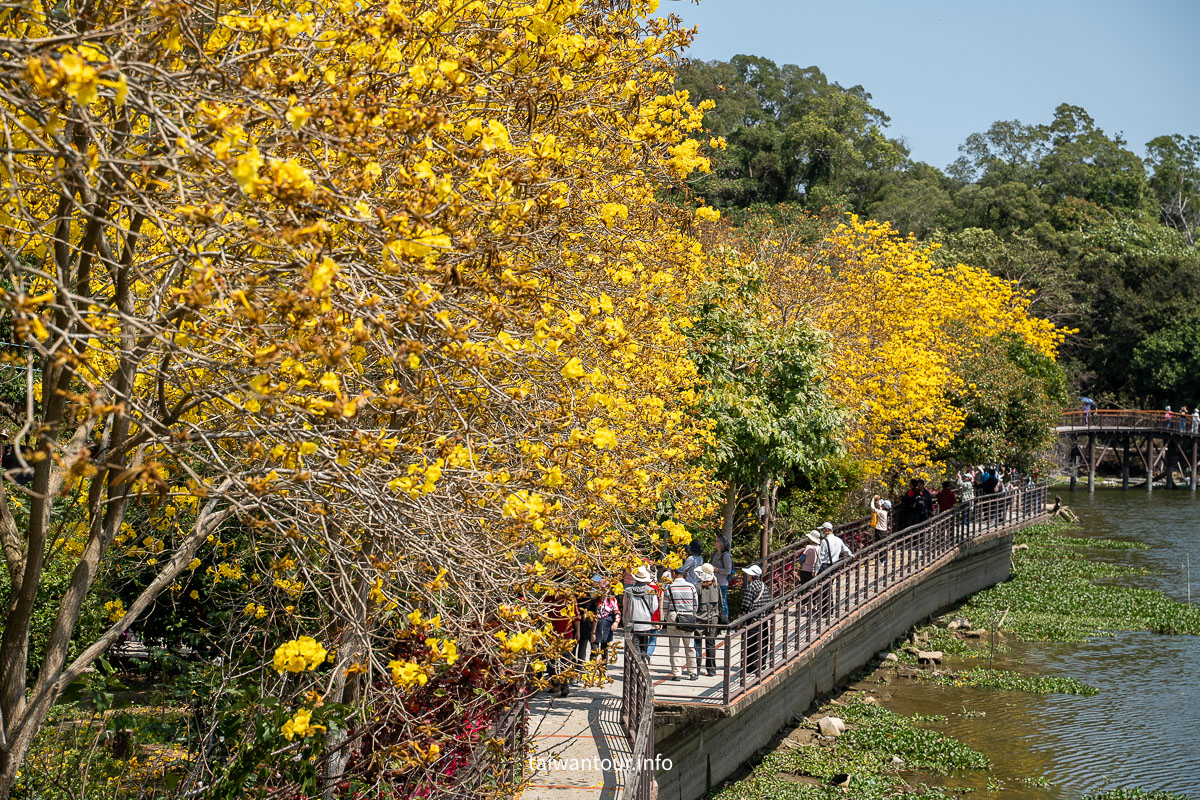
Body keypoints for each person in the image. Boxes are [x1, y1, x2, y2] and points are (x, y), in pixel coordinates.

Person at [663, 569, 699, 680]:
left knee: (674, 646)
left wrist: (667, 617)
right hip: (688, 616)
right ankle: (692, 672)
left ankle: (677, 673)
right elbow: (696, 604)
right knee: (690, 646)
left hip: (674, 615)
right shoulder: (691, 586)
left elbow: (665, 606)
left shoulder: (669, 587)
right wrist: (691, 613)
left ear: (674, 574)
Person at [739, 564, 772, 674]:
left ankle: (750, 667)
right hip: (763, 618)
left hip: (752, 618)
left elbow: (745, 604)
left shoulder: (751, 586)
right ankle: (761, 664)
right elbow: (769, 601)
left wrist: (741, 615)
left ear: (751, 575)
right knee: (763, 641)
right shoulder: (764, 585)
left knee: (751, 642)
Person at [623, 566, 659, 660]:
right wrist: (649, 612)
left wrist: (625, 618)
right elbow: (655, 606)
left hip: (632, 621)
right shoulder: (651, 590)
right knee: (644, 644)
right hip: (646, 621)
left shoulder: (628, 591)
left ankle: (637, 664)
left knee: (635, 646)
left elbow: (625, 606)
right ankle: (643, 661)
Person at [546, 591, 579, 696]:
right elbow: (576, 616)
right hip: (555, 634)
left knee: (561, 661)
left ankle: (561, 685)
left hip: (562, 634)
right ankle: (559, 684)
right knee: (557, 661)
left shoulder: (569, 597)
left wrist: (577, 631)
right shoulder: (549, 596)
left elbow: (576, 615)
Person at [694, 563, 722, 677]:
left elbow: (695, 604)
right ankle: (711, 669)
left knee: (697, 644)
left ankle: (696, 668)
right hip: (713, 618)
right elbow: (721, 602)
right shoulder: (716, 585)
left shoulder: (698, 587)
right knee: (711, 644)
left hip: (699, 618)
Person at [591, 583, 620, 661]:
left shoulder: (612, 600)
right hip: (596, 626)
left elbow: (617, 612)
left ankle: (603, 669)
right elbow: (594, 616)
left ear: (609, 589)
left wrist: (616, 622)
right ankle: (592, 669)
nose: (604, 590)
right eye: (602, 588)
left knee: (605, 651)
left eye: (606, 588)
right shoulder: (595, 600)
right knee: (594, 651)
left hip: (607, 625)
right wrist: (592, 632)